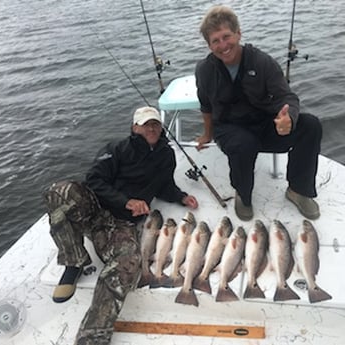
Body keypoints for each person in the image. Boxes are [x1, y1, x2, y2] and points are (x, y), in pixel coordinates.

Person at [43, 106, 198, 345]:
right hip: (95, 208)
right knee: (58, 191)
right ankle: (73, 262)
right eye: (146, 124)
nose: (152, 128)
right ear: (135, 127)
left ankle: (92, 336)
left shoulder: (166, 155)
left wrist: (180, 196)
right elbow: (93, 180)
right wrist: (126, 201)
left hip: (119, 225)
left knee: (129, 262)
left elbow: (164, 185)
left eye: (156, 123)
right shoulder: (116, 149)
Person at [195, 5, 322, 221]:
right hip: (228, 128)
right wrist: (207, 134)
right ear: (209, 45)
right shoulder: (204, 70)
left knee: (311, 125)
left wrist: (288, 118)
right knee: (244, 144)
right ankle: (243, 195)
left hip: (264, 124)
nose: (223, 45)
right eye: (215, 41)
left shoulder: (262, 61)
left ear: (238, 33)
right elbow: (206, 105)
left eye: (226, 36)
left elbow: (287, 97)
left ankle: (298, 190)